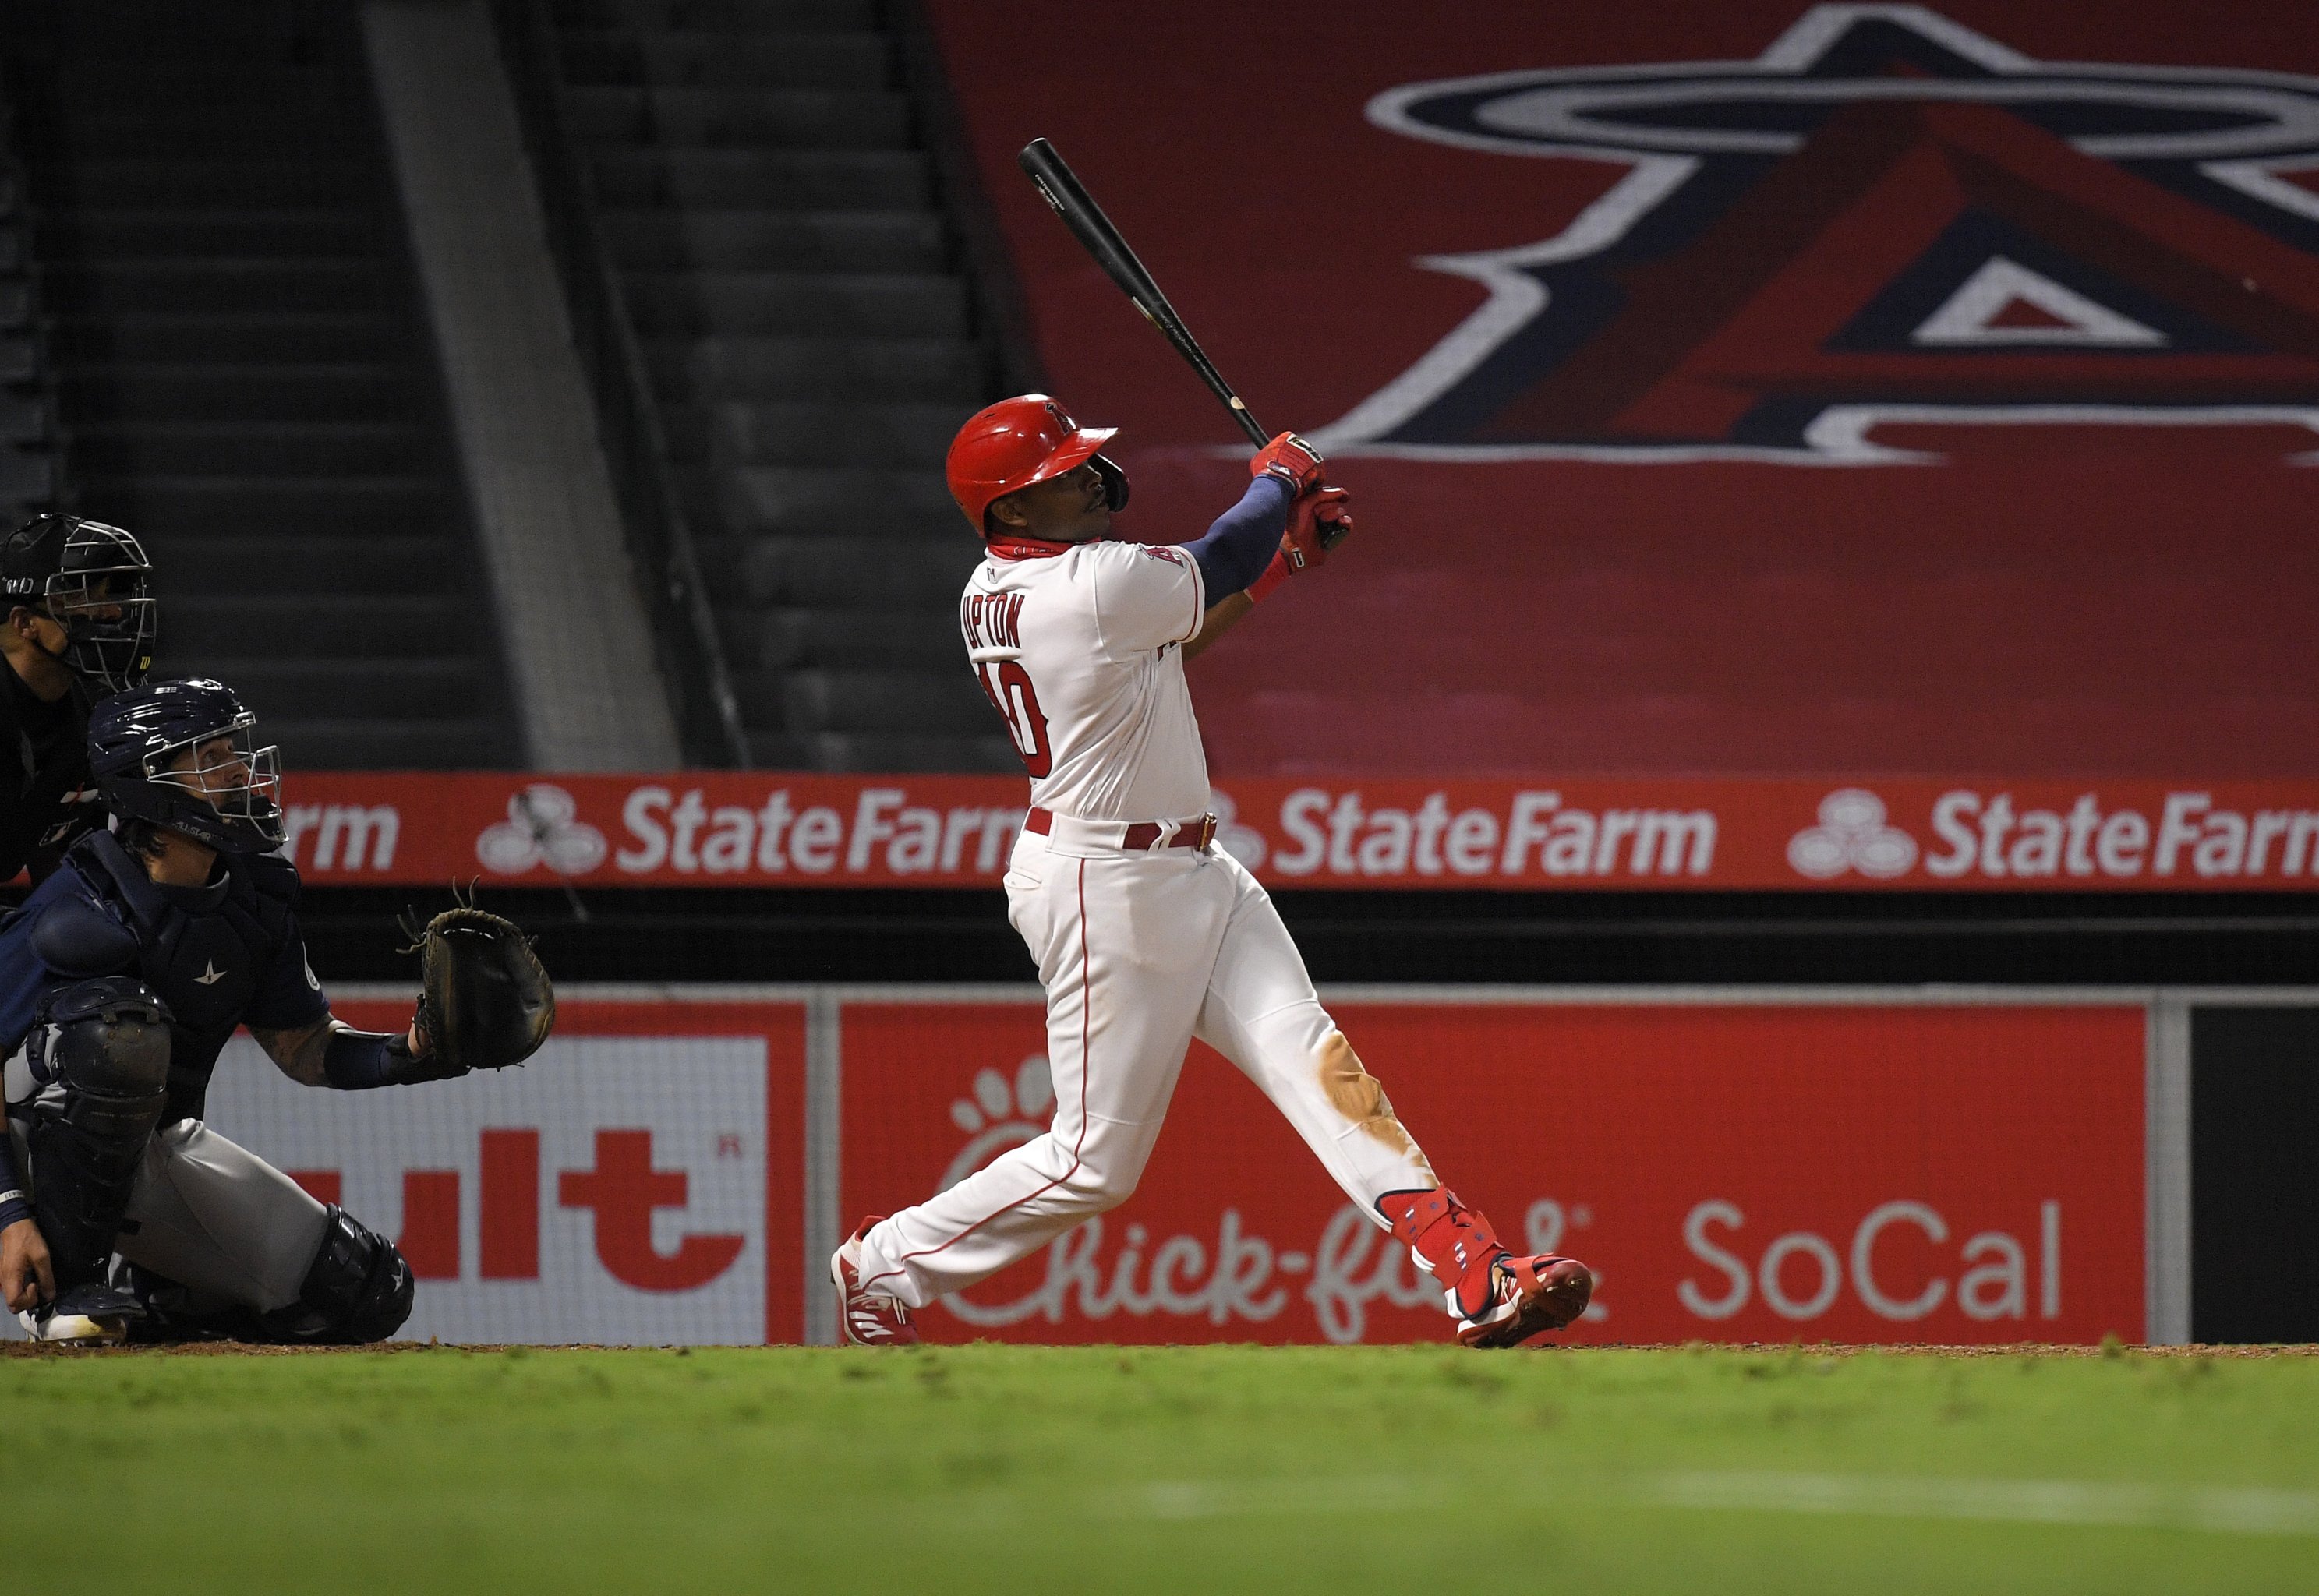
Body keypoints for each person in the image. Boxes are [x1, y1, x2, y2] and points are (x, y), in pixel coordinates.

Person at [829, 395, 1593, 1348]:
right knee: (1091, 1161)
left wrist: (1286, 559)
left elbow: (1172, 636)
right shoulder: (1089, 585)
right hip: (1104, 883)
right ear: (1011, 512)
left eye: (1077, 462)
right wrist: (1277, 477)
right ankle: (882, 1263)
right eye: (1055, 475)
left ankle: (1470, 1269)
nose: (1082, 477)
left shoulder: (1024, 584)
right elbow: (1214, 559)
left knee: (1317, 1061)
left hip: (1189, 862)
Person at [0, 678, 469, 1344]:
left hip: (149, 1150)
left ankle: (162, 1295)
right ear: (151, 782)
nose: (241, 771)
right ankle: (66, 1292)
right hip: (23, 1160)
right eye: (212, 755)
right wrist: (9, 1214)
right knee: (115, 1030)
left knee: (362, 1292)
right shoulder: (75, 905)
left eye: (235, 751)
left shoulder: (255, 896)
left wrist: (413, 1051)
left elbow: (303, 1046)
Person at [0, 514, 159, 885]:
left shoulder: (94, 710)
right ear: (25, 623)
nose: (114, 611)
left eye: (107, 595)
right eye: (85, 596)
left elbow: (68, 870)